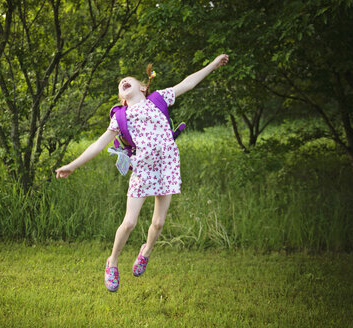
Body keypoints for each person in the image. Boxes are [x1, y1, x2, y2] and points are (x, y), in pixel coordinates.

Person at [55, 54, 229, 292]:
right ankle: (112, 261)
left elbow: (188, 83)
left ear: (143, 86)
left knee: (158, 223)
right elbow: (98, 144)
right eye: (120, 85)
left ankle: (146, 250)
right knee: (129, 223)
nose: (123, 82)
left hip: (167, 166)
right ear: (121, 98)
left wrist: (213, 63)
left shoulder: (159, 98)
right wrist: (72, 165)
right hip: (143, 169)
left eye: (128, 79)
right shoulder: (120, 117)